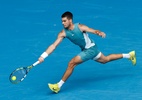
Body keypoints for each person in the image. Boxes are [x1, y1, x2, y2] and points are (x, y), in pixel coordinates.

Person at [38, 11, 136, 93]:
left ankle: (58, 86)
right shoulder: (63, 33)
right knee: (105, 60)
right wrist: (43, 56)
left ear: (70, 20)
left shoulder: (80, 27)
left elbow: (92, 30)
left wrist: (99, 32)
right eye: (62, 21)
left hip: (90, 49)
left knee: (71, 63)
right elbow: (53, 46)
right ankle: (129, 55)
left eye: (64, 21)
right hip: (88, 49)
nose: (62, 23)